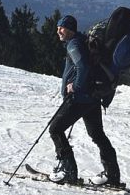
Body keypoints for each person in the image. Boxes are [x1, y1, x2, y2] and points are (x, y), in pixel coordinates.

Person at [48, 14, 122, 186]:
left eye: (62, 28)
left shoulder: (73, 44)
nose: (58, 31)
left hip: (79, 99)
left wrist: (75, 86)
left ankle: (68, 171)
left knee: (55, 129)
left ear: (70, 29)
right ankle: (112, 175)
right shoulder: (82, 41)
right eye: (58, 28)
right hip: (92, 98)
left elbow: (83, 66)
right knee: (97, 134)